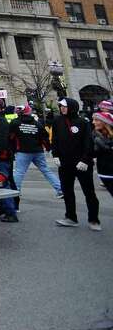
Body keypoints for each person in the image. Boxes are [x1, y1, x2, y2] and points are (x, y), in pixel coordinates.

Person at [51, 97, 99, 230]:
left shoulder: (83, 122)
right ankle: (71, 217)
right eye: (61, 106)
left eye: (65, 106)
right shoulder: (57, 121)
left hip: (82, 164)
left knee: (89, 192)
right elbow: (54, 139)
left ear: (72, 107)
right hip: (65, 163)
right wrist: (55, 155)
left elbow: (88, 142)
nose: (62, 108)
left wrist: (85, 159)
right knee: (67, 191)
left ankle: (94, 219)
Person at [9, 104, 63, 199]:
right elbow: (44, 136)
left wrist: (12, 149)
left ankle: (16, 192)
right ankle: (60, 189)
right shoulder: (36, 123)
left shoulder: (15, 123)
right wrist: (48, 148)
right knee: (46, 170)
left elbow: (10, 137)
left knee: (19, 172)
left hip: (23, 151)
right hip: (38, 151)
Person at [93, 110, 113, 201]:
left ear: (105, 122)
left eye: (96, 120)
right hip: (105, 172)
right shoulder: (95, 136)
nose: (93, 122)